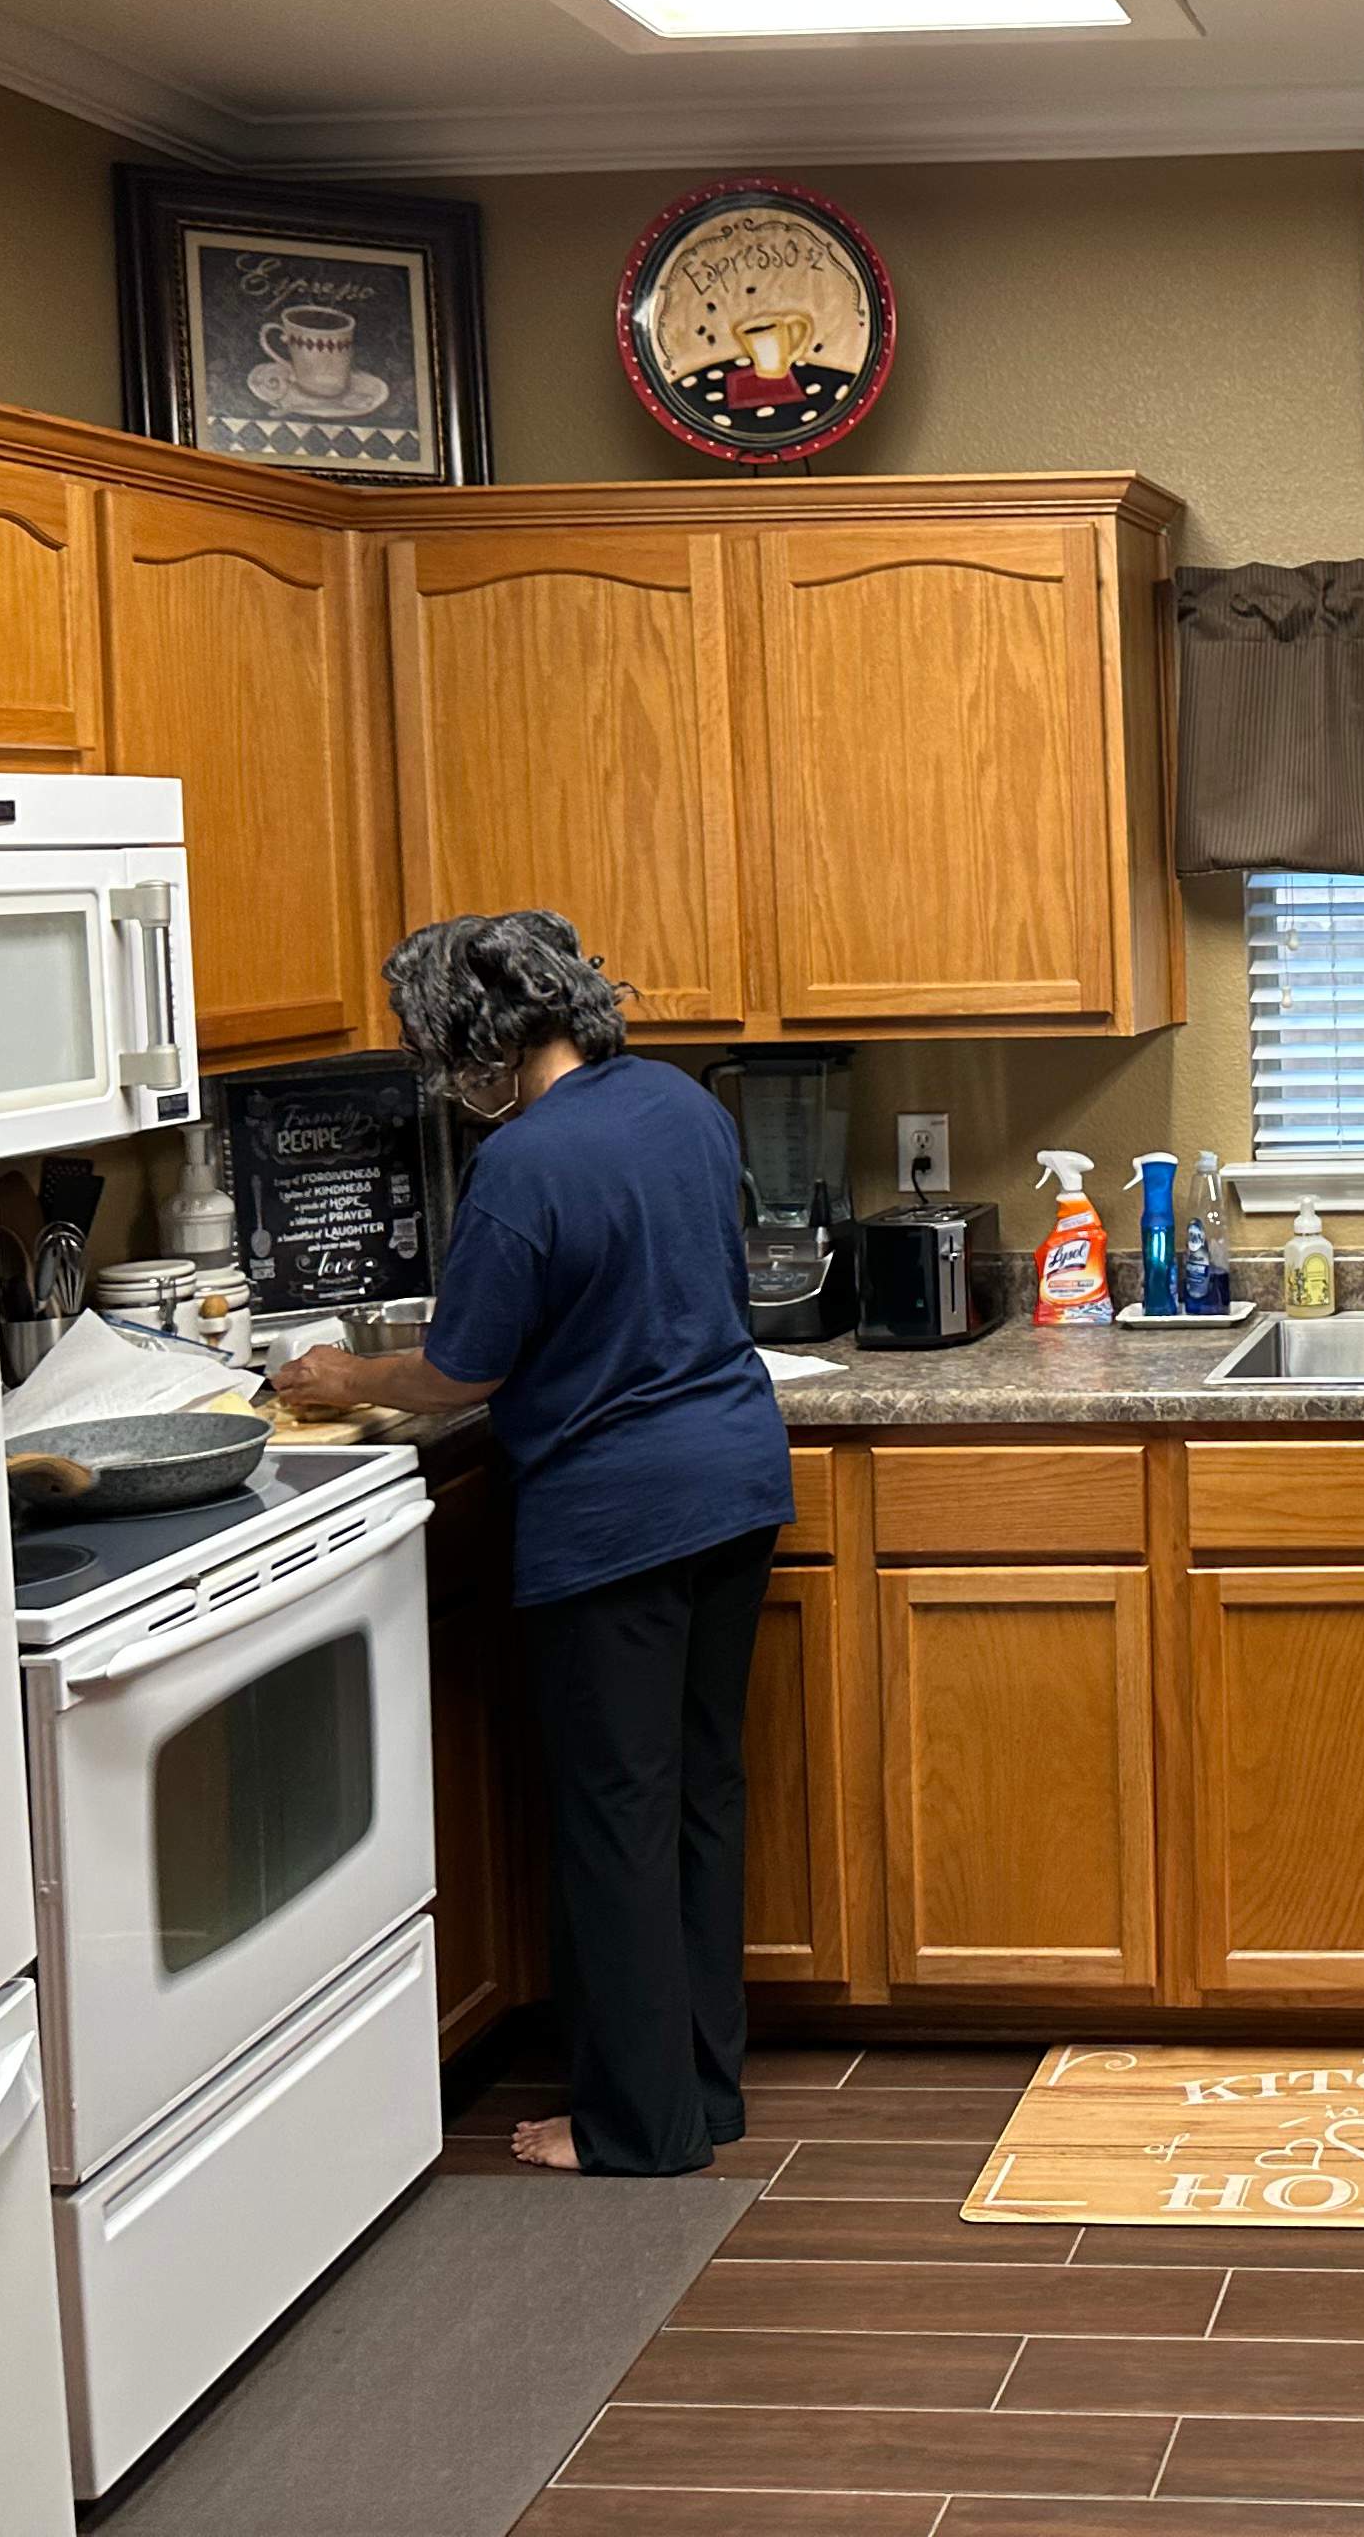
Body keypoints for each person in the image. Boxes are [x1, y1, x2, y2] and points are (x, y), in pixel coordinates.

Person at [273, 912, 791, 2175]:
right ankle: (702, 2097)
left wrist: (343, 1377)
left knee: (615, 1819)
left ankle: (634, 2130)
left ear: (482, 1044)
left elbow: (462, 1369)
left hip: (614, 1520)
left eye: (445, 1053)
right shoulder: (682, 1106)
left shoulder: (523, 1168)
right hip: (734, 1482)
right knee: (699, 1799)